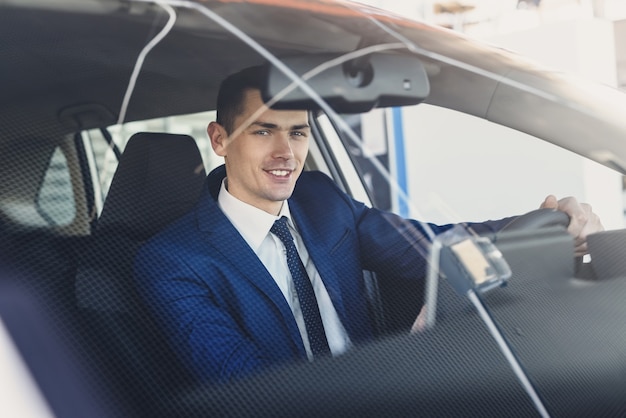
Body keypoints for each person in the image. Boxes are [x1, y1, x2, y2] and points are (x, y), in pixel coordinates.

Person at [134, 66, 603, 384]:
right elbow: (247, 392)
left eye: (298, 132)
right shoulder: (173, 262)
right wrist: (399, 366)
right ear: (220, 139)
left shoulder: (321, 199)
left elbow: (429, 245)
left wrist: (540, 226)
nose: (286, 153)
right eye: (263, 131)